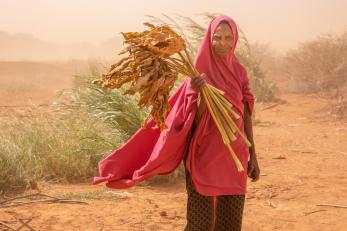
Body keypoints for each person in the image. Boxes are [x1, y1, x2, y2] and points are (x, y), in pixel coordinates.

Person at [93, 15, 260, 231]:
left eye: (228, 38)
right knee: (200, 224)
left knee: (229, 225)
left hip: (234, 156)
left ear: (235, 39)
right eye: (216, 38)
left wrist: (253, 156)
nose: (222, 44)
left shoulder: (239, 72)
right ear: (209, 39)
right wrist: (200, 95)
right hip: (203, 156)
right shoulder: (198, 70)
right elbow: (194, 121)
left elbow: (245, 116)